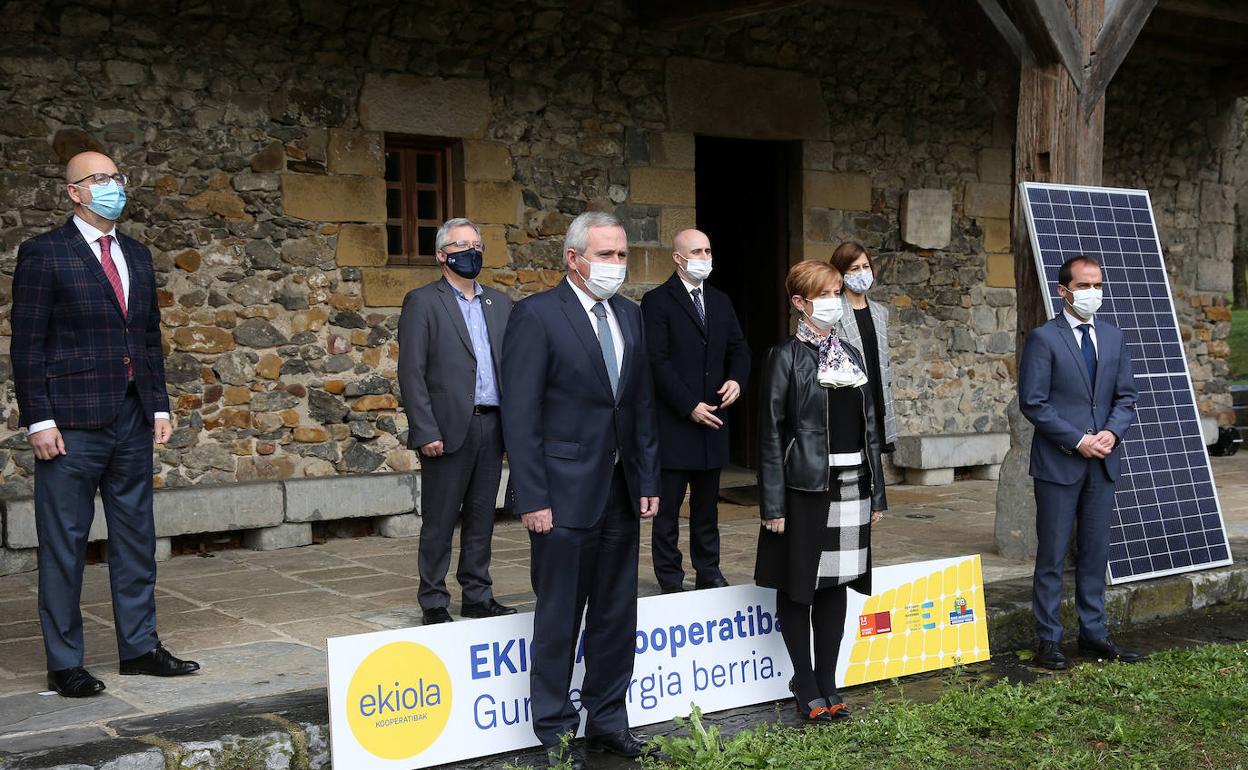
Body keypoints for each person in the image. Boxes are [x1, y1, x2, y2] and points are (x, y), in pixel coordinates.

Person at [10, 151, 199, 698]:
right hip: (69, 426)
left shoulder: (137, 255)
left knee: (136, 539)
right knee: (64, 544)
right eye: (100, 179)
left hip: (130, 419)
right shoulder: (45, 253)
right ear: (74, 192)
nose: (113, 186)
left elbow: (146, 339)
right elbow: (27, 344)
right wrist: (38, 418)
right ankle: (64, 661)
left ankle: (139, 648)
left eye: (117, 178)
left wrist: (158, 405)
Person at [501, 211, 662, 769]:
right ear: (574, 258)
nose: (616, 265)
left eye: (621, 255)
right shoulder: (537, 316)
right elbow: (520, 417)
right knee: (559, 615)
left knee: (617, 614)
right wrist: (533, 497)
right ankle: (555, 729)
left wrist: (647, 478)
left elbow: (639, 405)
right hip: (562, 495)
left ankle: (609, 721)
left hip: (620, 491)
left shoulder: (631, 316)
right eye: (606, 255)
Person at [755, 260, 886, 723]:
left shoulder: (850, 354)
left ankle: (829, 682)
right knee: (799, 586)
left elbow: (872, 427)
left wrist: (878, 494)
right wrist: (772, 504)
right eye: (825, 293)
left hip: (852, 485)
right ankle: (804, 681)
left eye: (837, 290)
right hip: (804, 488)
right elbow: (769, 434)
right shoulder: (783, 357)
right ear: (799, 303)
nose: (835, 299)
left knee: (837, 585)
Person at [1019, 255, 1141, 670]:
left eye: (1098, 285)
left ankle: (1094, 634)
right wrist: (1078, 440)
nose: (1093, 293)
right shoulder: (1044, 338)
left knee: (1095, 552)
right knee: (1052, 554)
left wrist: (1111, 432)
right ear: (1064, 291)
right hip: (1059, 464)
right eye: (1085, 286)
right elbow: (1033, 402)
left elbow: (1125, 397)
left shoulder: (1113, 336)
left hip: (1104, 463)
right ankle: (1048, 639)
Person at [398, 217, 517, 625]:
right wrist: (424, 430)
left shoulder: (499, 303)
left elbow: (512, 369)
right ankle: (433, 599)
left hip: (493, 422)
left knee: (483, 515)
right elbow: (411, 372)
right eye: (461, 245)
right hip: (447, 428)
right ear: (441, 254)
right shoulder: (423, 301)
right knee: (441, 517)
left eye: (477, 244)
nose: (471, 251)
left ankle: (477, 594)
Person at [640, 228, 750, 594]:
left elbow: (739, 348)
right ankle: (670, 577)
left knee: (707, 511)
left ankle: (709, 570)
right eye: (696, 251)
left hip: (714, 422)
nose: (704, 257)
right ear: (677, 257)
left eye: (708, 250)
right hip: (676, 423)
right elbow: (657, 362)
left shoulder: (720, 301)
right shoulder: (657, 301)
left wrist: (736, 378)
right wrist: (688, 405)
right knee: (668, 511)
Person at [830, 241, 896, 453]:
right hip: (848, 402)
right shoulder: (832, 312)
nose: (862, 273)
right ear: (841, 274)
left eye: (866, 267)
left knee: (875, 464)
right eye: (854, 268)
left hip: (878, 399)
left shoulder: (880, 312)